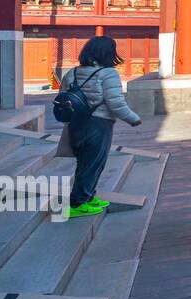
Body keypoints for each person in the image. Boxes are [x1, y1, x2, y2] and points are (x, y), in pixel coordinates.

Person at [57, 36, 143, 217]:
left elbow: (63, 98)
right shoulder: (108, 73)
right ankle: (77, 203)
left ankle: (88, 196)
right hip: (98, 124)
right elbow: (116, 103)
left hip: (76, 124)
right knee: (94, 163)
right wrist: (133, 119)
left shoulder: (71, 73)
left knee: (85, 162)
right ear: (108, 53)